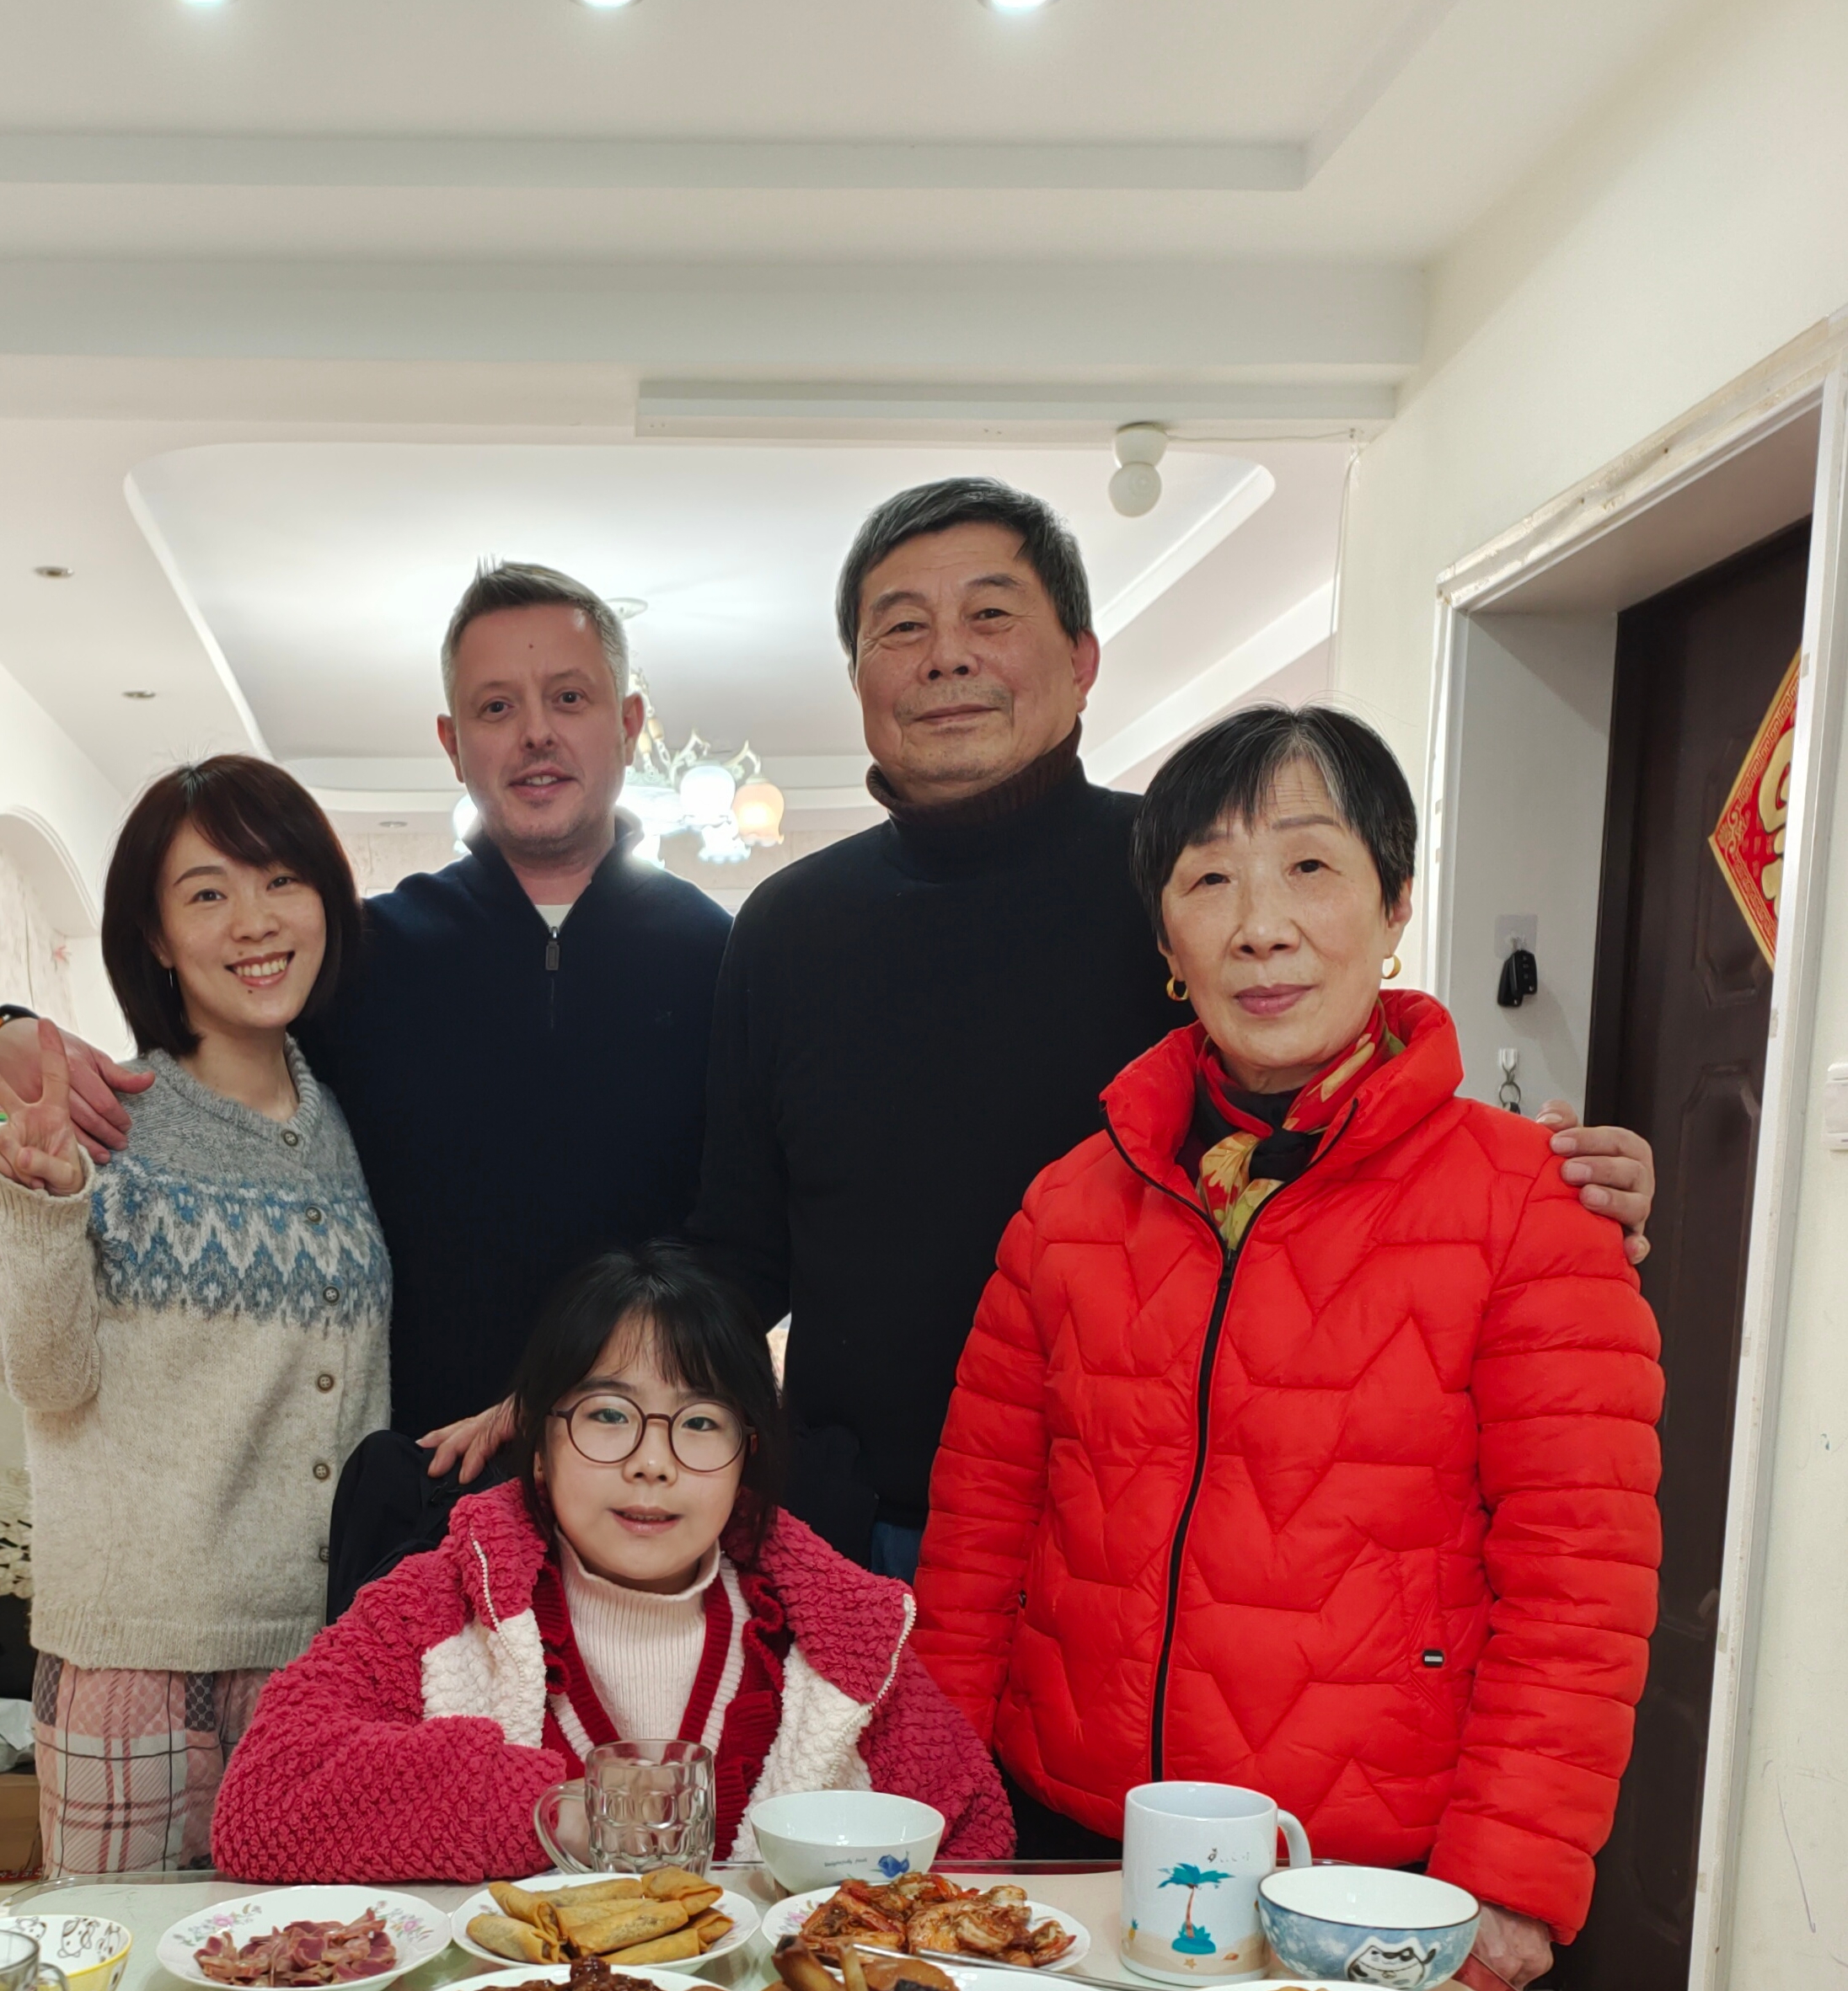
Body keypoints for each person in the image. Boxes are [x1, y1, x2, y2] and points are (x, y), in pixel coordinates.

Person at [687, 476, 1656, 1575]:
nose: (946, 656)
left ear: (1082, 659)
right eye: (900, 628)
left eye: (990, 614)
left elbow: (1344, 1129)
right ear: (858, 677)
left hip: (1154, 1535)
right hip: (860, 1536)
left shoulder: (1194, 877)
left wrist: (1540, 1204)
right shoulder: (788, 926)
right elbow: (738, 1253)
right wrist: (602, 1399)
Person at [909, 704, 1664, 1991]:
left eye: (1309, 865)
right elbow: (979, 1537)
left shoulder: (1527, 1200)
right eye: (1209, 880)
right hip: (1063, 1843)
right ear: (1166, 941)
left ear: (1394, 902)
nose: (1260, 925)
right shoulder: (1066, 1207)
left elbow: (1579, 1578)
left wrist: (1507, 1880)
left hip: (1367, 1876)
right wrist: (941, 1806)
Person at [0, 561, 730, 1449]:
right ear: (451, 742)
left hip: (653, 1462)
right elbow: (210, 1071)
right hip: (405, 1475)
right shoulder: (367, 952)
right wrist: (6, 1032)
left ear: (629, 724)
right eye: (495, 708)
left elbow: (750, 1244)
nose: (535, 734)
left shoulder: (725, 957)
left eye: (569, 698)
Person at [209, 1244, 1010, 1883]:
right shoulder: (435, 1604)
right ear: (538, 1444)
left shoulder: (837, 1637)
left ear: (748, 1454)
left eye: (699, 1423)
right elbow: (260, 1803)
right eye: (607, 1415)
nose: (651, 1463)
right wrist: (552, 1812)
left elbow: (976, 1835)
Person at [0, 755, 389, 1877]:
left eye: (282, 880)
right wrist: (37, 1203)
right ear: (153, 934)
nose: (254, 921)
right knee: (121, 1976)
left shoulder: (349, 1120)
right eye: (206, 892)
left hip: (318, 1657)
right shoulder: (105, 1123)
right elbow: (44, 1378)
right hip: (134, 1665)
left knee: (307, 1967)